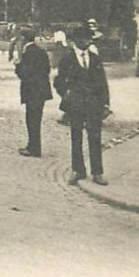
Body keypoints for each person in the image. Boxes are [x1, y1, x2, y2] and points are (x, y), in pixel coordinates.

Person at [54, 25, 111, 186]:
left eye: (89, 39)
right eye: (83, 39)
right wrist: (65, 94)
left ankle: (97, 172)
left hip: (94, 104)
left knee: (95, 137)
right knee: (76, 137)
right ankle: (78, 170)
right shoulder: (67, 59)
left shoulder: (95, 58)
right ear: (75, 41)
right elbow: (58, 81)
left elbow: (102, 83)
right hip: (76, 104)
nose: (86, 42)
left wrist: (106, 104)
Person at [14, 26, 52, 157]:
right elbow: (47, 69)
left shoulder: (28, 53)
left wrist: (17, 65)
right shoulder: (41, 51)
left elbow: (24, 73)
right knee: (36, 119)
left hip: (32, 91)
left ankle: (34, 148)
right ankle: (33, 146)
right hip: (41, 91)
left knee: (32, 120)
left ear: (24, 38)